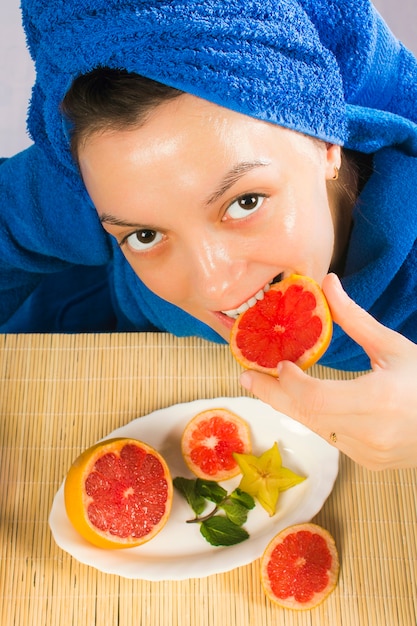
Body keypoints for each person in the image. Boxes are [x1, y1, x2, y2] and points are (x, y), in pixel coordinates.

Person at [1, 0, 417, 470]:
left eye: (245, 203)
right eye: (144, 236)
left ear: (326, 144)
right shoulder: (103, 179)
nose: (215, 286)